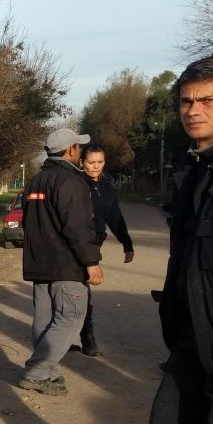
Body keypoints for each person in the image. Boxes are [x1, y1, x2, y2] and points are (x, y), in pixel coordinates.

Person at [118, 53, 213, 424]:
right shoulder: (193, 166)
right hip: (190, 336)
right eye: (186, 101)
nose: (193, 110)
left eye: (207, 101)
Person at [16, 128, 104, 396]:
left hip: (39, 264)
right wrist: (91, 261)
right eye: (78, 146)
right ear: (70, 151)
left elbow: (26, 222)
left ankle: (48, 373)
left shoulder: (35, 182)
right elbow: (77, 227)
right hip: (66, 265)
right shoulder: (71, 182)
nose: (80, 150)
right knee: (71, 317)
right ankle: (38, 370)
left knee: (44, 319)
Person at [70, 144, 135, 357]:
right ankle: (82, 339)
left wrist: (127, 244)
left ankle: (82, 338)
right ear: (82, 162)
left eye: (99, 162)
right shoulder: (76, 184)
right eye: (91, 162)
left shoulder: (106, 186)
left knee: (79, 293)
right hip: (74, 246)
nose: (95, 167)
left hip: (94, 246)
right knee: (76, 293)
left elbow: (115, 216)